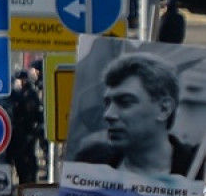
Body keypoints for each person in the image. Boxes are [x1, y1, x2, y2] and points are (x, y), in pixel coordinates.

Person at [69, 55, 197, 177]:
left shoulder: (198, 169)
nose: (108, 114)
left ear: (164, 109)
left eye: (125, 102)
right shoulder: (89, 162)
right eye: (107, 103)